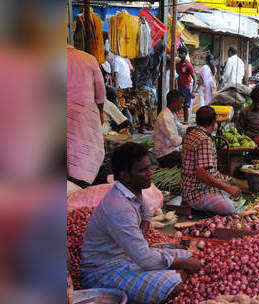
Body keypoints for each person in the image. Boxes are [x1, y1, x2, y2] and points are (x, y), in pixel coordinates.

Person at [80, 143, 202, 304]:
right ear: (125, 175)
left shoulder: (133, 192)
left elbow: (146, 215)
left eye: (149, 167)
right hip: (104, 271)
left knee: (188, 255)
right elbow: (144, 259)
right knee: (173, 285)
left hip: (126, 258)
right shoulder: (119, 207)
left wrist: (139, 239)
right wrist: (180, 263)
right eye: (143, 170)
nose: (150, 173)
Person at [181, 106, 243, 215]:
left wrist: (225, 182)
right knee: (228, 207)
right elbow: (202, 174)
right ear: (214, 122)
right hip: (197, 193)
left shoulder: (191, 134)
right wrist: (227, 188)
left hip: (188, 190)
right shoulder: (204, 140)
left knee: (232, 184)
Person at [67, 44, 105, 188]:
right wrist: (100, 112)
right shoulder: (88, 59)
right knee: (85, 154)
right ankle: (82, 187)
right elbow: (100, 94)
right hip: (85, 115)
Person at [153, 90, 184, 168]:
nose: (182, 105)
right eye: (181, 102)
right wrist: (186, 139)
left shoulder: (171, 113)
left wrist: (191, 129)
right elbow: (175, 141)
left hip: (170, 150)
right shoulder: (165, 117)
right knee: (190, 158)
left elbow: (180, 128)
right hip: (165, 154)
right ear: (174, 102)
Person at [175, 46, 197, 123]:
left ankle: (186, 122)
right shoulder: (177, 64)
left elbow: (195, 79)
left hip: (186, 88)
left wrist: (193, 91)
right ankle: (176, 122)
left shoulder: (188, 65)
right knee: (177, 105)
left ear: (185, 54)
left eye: (181, 53)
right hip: (179, 88)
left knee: (185, 106)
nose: (180, 55)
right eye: (179, 53)